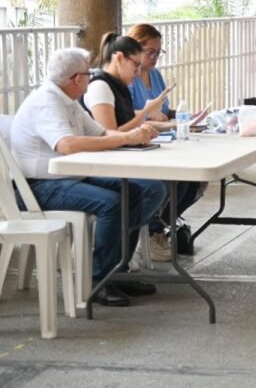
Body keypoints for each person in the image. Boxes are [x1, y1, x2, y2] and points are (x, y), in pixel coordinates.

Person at [10, 47, 166, 307]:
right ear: (75, 78)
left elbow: (102, 133)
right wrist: (126, 138)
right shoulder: (47, 101)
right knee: (112, 203)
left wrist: (137, 136)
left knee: (148, 190)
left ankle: (117, 266)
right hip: (39, 186)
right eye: (88, 73)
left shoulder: (68, 101)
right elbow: (66, 145)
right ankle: (99, 280)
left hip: (70, 178)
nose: (91, 78)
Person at [82, 32, 178, 262]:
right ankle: (115, 260)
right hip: (102, 162)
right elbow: (111, 133)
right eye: (136, 64)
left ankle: (121, 259)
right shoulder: (100, 86)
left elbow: (124, 129)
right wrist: (144, 117)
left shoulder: (119, 85)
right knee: (153, 188)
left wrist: (146, 119)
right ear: (119, 58)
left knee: (172, 183)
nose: (138, 71)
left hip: (119, 157)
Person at [126, 24, 205, 258]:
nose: (155, 58)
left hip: (163, 139)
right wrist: (169, 123)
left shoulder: (155, 75)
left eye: (159, 52)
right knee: (170, 181)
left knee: (194, 181)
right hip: (144, 142)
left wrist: (185, 118)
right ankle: (153, 230)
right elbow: (130, 117)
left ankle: (162, 224)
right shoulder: (126, 79)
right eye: (150, 52)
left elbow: (165, 111)